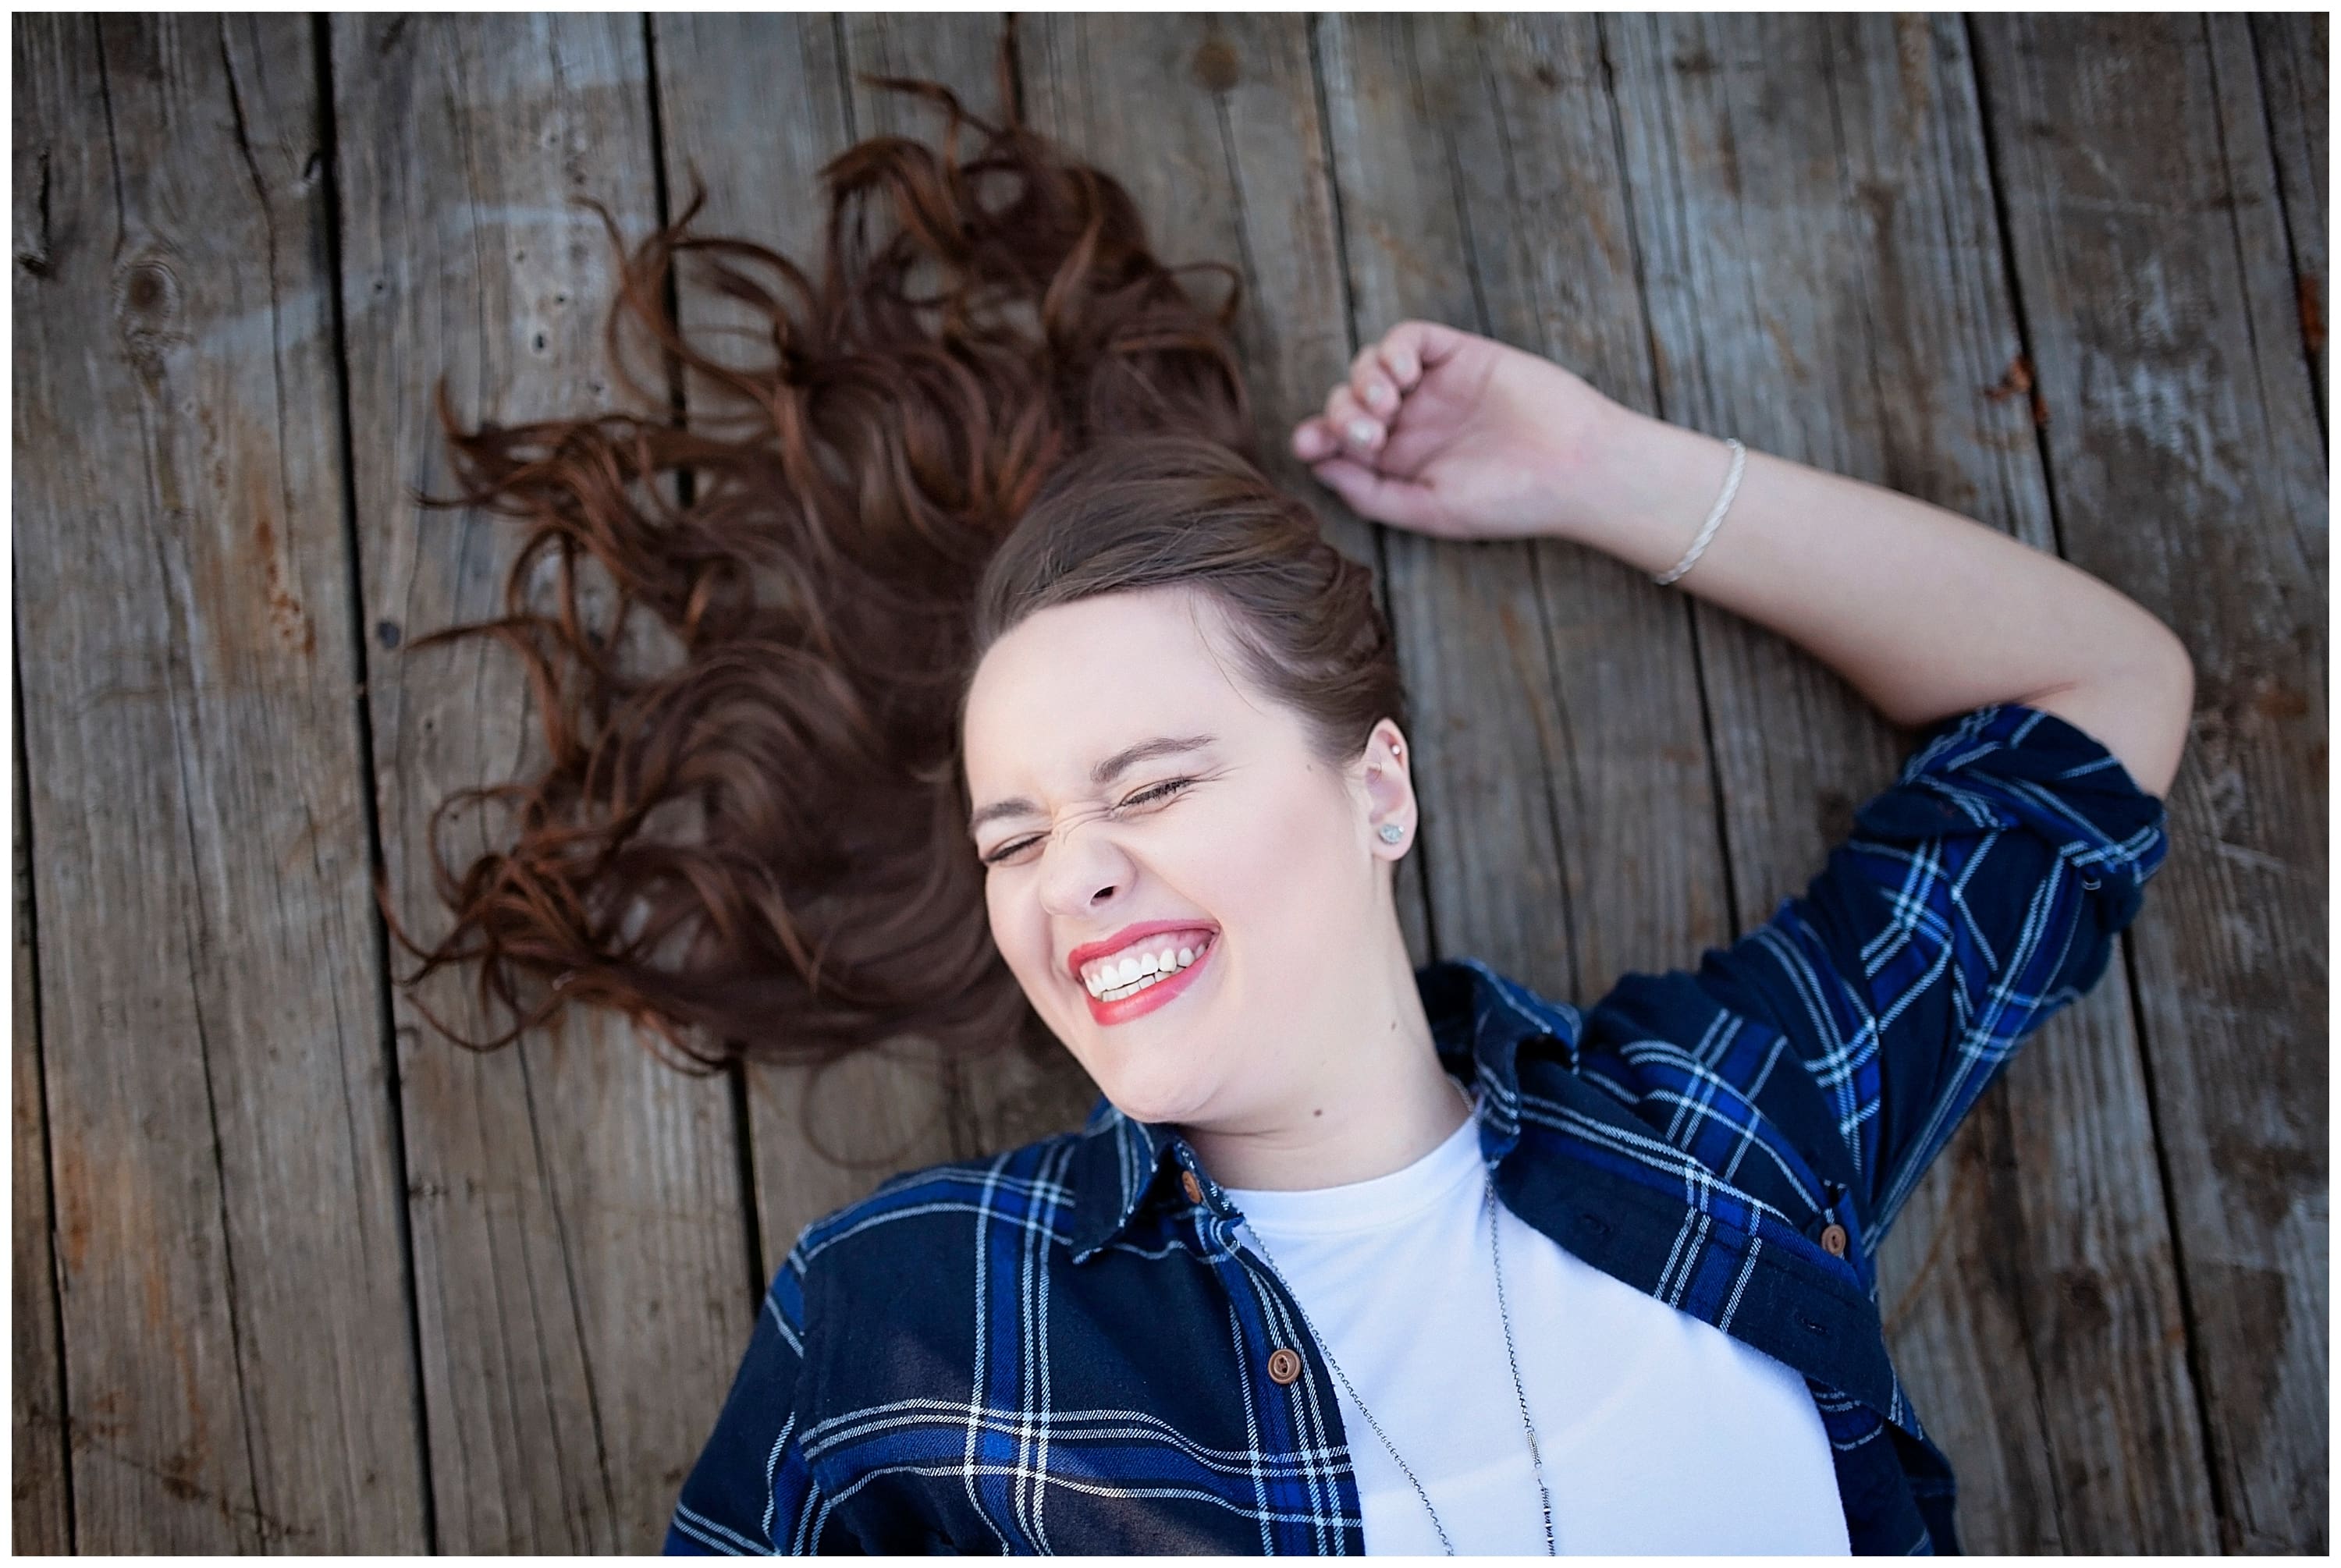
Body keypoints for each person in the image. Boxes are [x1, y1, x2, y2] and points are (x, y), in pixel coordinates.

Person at [398, 77, 2188, 1556]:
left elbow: (2098, 702)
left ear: (1379, 786)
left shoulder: (1722, 1135)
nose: (1073, 872)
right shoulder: (914, 1328)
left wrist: (1596, 472)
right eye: (1013, 836)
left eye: (1154, 784)